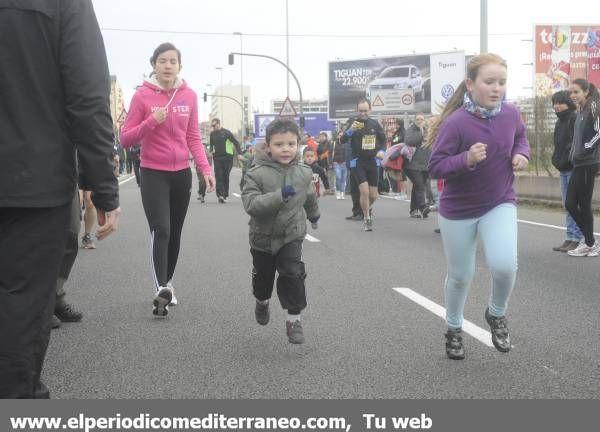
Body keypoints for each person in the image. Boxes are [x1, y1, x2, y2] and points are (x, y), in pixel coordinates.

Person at [0, 0, 120, 398]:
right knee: (22, 306)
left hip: (32, 179)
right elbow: (87, 96)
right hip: (31, 180)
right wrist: (102, 184)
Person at [428, 53, 530, 360]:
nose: (497, 88)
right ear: (470, 85)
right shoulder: (456, 123)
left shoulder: (511, 113)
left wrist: (522, 154)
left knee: (505, 265)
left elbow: (521, 138)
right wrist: (467, 159)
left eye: (502, 82)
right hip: (459, 210)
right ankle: (454, 328)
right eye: (489, 82)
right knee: (461, 275)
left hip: (499, 202)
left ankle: (496, 314)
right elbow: (435, 167)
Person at [120, 42, 215, 316]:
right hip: (153, 172)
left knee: (174, 232)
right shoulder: (142, 97)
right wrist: (151, 121)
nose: (167, 65)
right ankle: (160, 287)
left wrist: (205, 170)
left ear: (179, 66)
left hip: (181, 175)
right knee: (161, 229)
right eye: (162, 61)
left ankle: (167, 284)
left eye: (173, 61)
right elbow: (125, 138)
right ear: (154, 65)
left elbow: (193, 138)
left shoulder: (190, 96)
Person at [241, 119, 319, 344]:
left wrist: (313, 215)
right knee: (263, 279)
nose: (286, 149)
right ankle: (262, 301)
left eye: (291, 144)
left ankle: (294, 319)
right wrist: (278, 196)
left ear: (298, 145)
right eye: (279, 144)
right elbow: (251, 205)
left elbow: (310, 196)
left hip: (291, 234)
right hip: (262, 238)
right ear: (268, 146)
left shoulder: (304, 172)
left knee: (293, 273)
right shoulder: (255, 173)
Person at [565, 78, 600, 257]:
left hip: (588, 162)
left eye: (576, 92)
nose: (572, 95)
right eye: (571, 92)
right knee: (570, 203)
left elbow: (598, 132)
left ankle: (590, 243)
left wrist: (586, 150)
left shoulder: (594, 106)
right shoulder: (580, 110)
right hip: (579, 162)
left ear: (586, 91)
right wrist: (573, 154)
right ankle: (589, 241)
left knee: (583, 205)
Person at [341, 99, 386, 231]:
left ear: (370, 110)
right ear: (357, 111)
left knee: (373, 195)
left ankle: (366, 208)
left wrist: (382, 151)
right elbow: (341, 140)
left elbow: (383, 140)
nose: (363, 113)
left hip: (372, 161)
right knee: (364, 192)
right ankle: (367, 218)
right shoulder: (352, 123)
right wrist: (350, 130)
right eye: (360, 111)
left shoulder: (374, 124)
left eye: (365, 111)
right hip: (357, 161)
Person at [550, 90, 583, 252]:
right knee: (567, 205)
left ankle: (577, 238)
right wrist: (556, 160)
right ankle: (570, 237)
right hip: (563, 169)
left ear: (568, 103)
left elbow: (575, 145)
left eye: (560, 102)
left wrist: (568, 160)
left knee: (574, 204)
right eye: (554, 103)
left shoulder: (574, 118)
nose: (556, 106)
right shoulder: (559, 121)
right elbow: (559, 145)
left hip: (574, 169)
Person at [405, 113, 432, 218]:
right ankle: (422, 207)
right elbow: (408, 141)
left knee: (418, 186)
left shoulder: (428, 130)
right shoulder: (411, 130)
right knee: (420, 185)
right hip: (412, 165)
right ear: (414, 120)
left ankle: (413, 210)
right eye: (417, 119)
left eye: (421, 119)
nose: (419, 121)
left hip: (425, 164)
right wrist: (421, 134)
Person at [209, 118, 242, 203]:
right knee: (218, 176)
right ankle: (220, 195)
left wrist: (240, 153)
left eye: (214, 125)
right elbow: (211, 145)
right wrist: (210, 151)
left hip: (228, 158)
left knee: (225, 176)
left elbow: (236, 142)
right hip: (217, 158)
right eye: (212, 126)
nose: (213, 127)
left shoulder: (227, 133)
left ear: (219, 124)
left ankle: (225, 194)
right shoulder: (212, 134)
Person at [332, 131, 348, 200]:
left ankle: (342, 192)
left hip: (344, 163)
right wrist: (330, 163)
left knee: (343, 179)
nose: (341, 136)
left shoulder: (346, 144)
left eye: (342, 135)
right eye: (340, 135)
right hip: (336, 163)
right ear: (337, 136)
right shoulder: (334, 143)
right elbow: (330, 153)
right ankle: (338, 191)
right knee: (338, 177)